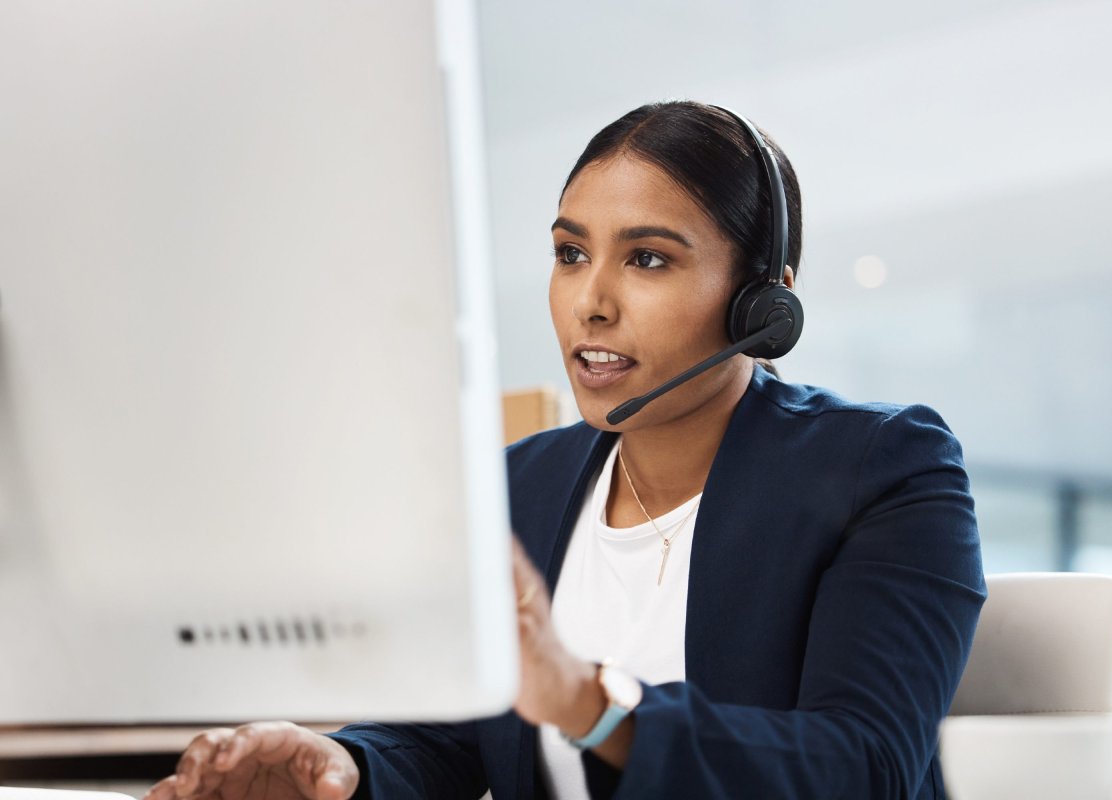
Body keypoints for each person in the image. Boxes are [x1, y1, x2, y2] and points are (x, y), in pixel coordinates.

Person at [146, 101, 985, 800]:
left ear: (764, 306)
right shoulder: (523, 484)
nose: (591, 302)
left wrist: (591, 702)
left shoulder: (883, 467)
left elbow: (864, 767)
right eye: (570, 253)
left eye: (647, 259)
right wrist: (341, 764)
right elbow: (450, 739)